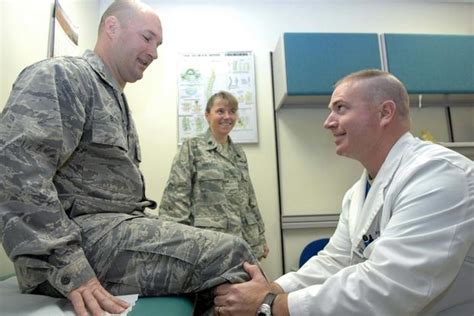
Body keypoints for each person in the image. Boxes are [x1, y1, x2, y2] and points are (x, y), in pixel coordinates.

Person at [0, 1, 257, 315]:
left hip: (107, 232)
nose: (154, 52)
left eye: (158, 44)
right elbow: (15, 171)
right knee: (233, 253)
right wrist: (70, 268)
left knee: (219, 268)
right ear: (112, 27)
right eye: (147, 38)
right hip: (75, 245)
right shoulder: (63, 76)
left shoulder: (113, 98)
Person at [213, 69, 474, 315]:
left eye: (341, 108)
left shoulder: (439, 174)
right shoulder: (357, 194)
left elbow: (389, 286)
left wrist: (272, 305)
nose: (328, 122)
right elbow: (335, 261)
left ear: (385, 113)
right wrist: (274, 289)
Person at [159, 91, 269, 260]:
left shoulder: (239, 154)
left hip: (242, 244)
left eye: (232, 111)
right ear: (207, 115)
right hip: (208, 246)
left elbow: (250, 200)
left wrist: (260, 238)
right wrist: (177, 245)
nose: (227, 116)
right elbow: (176, 198)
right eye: (220, 111)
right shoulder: (192, 147)